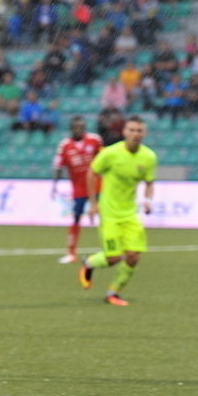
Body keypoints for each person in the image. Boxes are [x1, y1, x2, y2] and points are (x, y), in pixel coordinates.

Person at [79, 115, 155, 306]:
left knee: (133, 256)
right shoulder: (110, 153)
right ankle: (89, 263)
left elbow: (149, 182)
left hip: (130, 213)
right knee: (113, 258)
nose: (135, 134)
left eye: (139, 130)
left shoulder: (149, 157)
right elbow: (92, 173)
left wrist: (147, 200)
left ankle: (113, 292)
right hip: (109, 212)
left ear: (145, 133)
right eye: (131, 130)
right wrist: (93, 204)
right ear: (124, 132)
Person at [51, 116, 104, 264]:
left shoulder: (95, 140)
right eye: (76, 127)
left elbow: (105, 159)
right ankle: (71, 252)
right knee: (76, 218)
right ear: (71, 128)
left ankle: (110, 248)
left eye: (82, 127)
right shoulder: (65, 145)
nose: (79, 129)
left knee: (105, 217)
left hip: (98, 186)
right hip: (79, 189)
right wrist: (55, 185)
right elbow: (58, 166)